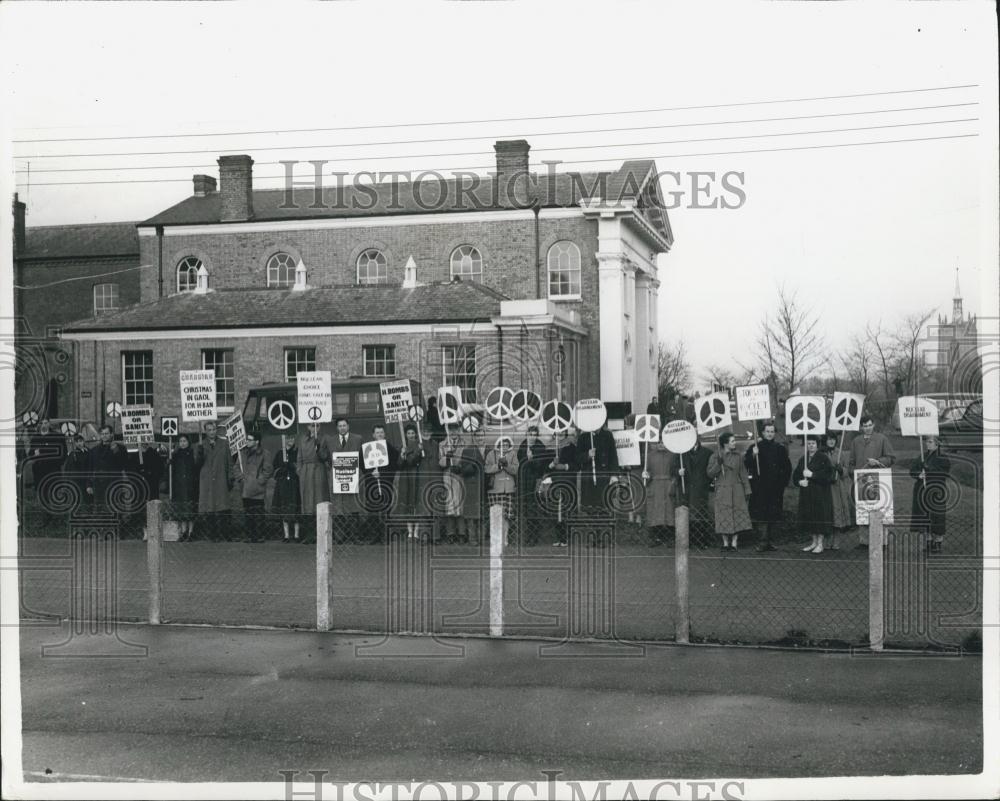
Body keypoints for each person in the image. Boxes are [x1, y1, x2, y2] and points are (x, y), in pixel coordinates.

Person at [849, 415, 896, 550]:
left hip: (878, 480)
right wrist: (853, 472)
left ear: (873, 425)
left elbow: (891, 458)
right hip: (861, 481)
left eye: (869, 425)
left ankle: (882, 541)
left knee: (880, 508)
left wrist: (879, 461)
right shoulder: (856, 441)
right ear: (861, 427)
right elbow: (851, 462)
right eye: (864, 426)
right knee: (863, 509)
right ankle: (864, 541)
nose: (867, 428)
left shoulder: (882, 439)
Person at [744, 420, 792, 552]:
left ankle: (769, 541)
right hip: (760, 487)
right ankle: (762, 541)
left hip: (775, 488)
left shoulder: (780, 449)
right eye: (767, 432)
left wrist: (782, 483)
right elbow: (746, 464)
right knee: (761, 514)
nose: (770, 434)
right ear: (763, 433)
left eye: (772, 432)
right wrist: (753, 455)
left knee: (772, 514)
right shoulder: (755, 447)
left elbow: (787, 468)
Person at [706, 432, 751, 552]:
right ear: (725, 443)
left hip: (737, 489)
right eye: (732, 441)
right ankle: (725, 543)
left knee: (737, 514)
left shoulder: (738, 456)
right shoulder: (716, 456)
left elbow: (743, 474)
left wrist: (747, 489)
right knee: (723, 515)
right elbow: (710, 473)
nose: (735, 443)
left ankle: (734, 542)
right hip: (722, 489)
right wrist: (718, 464)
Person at [909, 436, 951, 554]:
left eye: (930, 442)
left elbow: (942, 473)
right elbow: (912, 470)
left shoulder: (943, 458)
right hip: (922, 491)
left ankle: (937, 542)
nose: (928, 444)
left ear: (937, 444)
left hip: (935, 491)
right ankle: (928, 541)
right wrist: (919, 475)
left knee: (937, 516)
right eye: (927, 441)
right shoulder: (922, 456)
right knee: (924, 516)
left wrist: (927, 469)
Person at [324, 417, 364, 542]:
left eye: (344, 425)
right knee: (338, 507)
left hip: (353, 477)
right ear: (337, 428)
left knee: (353, 507)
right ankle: (339, 537)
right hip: (338, 478)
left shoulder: (358, 439)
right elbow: (325, 457)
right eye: (340, 426)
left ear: (348, 426)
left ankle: (355, 537)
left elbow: (363, 457)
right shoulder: (330, 441)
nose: (342, 428)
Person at [793, 436, 834, 554]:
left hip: (820, 493)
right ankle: (814, 542)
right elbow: (796, 475)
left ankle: (820, 543)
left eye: (813, 443)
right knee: (810, 516)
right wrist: (800, 481)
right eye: (809, 443)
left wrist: (813, 475)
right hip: (807, 493)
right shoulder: (803, 459)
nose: (811, 445)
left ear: (817, 445)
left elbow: (828, 475)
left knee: (819, 516)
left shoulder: (823, 458)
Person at [194, 420, 234, 542]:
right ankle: (213, 535)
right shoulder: (199, 445)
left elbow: (229, 462)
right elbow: (197, 464)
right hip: (207, 482)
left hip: (221, 478)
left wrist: (230, 478)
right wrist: (200, 451)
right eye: (209, 430)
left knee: (223, 508)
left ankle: (226, 534)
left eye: (214, 429)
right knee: (209, 509)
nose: (212, 432)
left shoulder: (224, 443)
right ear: (205, 431)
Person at [671, 438, 712, 547]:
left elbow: (711, 471)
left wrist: (706, 483)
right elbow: (672, 469)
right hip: (685, 489)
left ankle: (702, 541)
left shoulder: (707, 453)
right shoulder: (680, 454)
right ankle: (688, 541)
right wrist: (678, 472)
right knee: (686, 514)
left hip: (700, 489)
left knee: (700, 514)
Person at [361, 424, 399, 540]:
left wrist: (384, 474)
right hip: (372, 483)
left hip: (385, 482)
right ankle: (373, 536)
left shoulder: (390, 448)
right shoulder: (367, 447)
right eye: (377, 433)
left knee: (385, 509)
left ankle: (385, 536)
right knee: (372, 509)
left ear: (384, 434)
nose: (380, 434)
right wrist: (371, 472)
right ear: (373, 435)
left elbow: (395, 464)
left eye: (381, 432)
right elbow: (362, 464)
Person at [545, 425, 580, 547]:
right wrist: (550, 464)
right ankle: (558, 537)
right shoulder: (549, 446)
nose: (560, 433)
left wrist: (565, 466)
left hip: (567, 481)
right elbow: (544, 467)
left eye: (562, 431)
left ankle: (566, 538)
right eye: (557, 431)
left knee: (566, 510)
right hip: (555, 481)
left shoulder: (570, 446)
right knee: (556, 510)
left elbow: (577, 465)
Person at [516, 425, 551, 543]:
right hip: (524, 482)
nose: (532, 437)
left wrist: (531, 460)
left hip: (534, 482)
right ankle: (527, 536)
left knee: (534, 509)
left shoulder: (540, 446)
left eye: (534, 435)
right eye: (530, 434)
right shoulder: (523, 445)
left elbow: (541, 466)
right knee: (525, 509)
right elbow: (520, 461)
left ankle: (534, 537)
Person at [296, 422, 330, 543]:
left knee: (318, 500)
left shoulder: (324, 438)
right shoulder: (302, 439)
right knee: (307, 503)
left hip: (318, 471)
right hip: (305, 472)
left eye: (317, 426)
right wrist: (300, 471)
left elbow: (325, 456)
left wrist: (318, 446)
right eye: (312, 425)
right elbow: (299, 457)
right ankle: (308, 535)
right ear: (308, 427)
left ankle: (320, 535)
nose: (314, 428)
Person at [237, 433, 273, 543]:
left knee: (258, 514)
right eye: (246, 439)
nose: (247, 441)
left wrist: (260, 481)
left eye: (249, 439)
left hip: (258, 489)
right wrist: (241, 478)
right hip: (246, 488)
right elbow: (236, 467)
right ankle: (249, 536)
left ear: (257, 441)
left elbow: (268, 469)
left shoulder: (265, 454)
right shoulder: (242, 453)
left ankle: (259, 536)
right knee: (248, 513)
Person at [30, 418, 67, 521]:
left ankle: (57, 514)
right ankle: (47, 515)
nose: (43, 425)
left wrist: (57, 463)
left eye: (45, 423)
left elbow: (63, 453)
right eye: (41, 423)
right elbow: (30, 453)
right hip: (39, 470)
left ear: (49, 424)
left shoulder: (57, 436)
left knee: (54, 491)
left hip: (53, 469)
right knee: (43, 492)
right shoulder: (35, 438)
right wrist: (34, 454)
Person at [126, 443, 165, 539]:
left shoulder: (154, 454)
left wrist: (150, 474)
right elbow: (130, 471)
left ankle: (153, 530)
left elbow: (160, 469)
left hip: (151, 486)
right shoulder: (134, 455)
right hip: (139, 487)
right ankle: (144, 531)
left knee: (152, 508)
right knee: (141, 510)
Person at [643, 437, 676, 547]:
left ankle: (670, 538)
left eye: (663, 442)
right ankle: (655, 538)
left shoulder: (672, 455)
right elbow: (647, 471)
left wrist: (673, 483)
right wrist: (645, 476)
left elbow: (675, 471)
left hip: (668, 485)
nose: (661, 444)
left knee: (669, 512)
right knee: (655, 512)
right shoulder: (650, 456)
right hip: (655, 485)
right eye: (659, 442)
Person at [823, 432, 854, 550]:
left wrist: (841, 470)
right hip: (826, 486)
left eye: (833, 440)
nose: (831, 442)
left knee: (837, 512)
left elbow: (846, 470)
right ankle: (827, 539)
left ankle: (836, 540)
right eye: (828, 439)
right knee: (827, 513)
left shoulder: (840, 452)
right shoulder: (822, 453)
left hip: (837, 486)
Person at [87, 424, 126, 514]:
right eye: (102, 434)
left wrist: (115, 450)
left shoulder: (120, 448)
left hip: (114, 484)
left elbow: (123, 464)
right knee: (99, 510)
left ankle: (116, 527)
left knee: (115, 508)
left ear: (111, 434)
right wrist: (89, 484)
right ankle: (100, 527)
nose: (104, 436)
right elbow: (90, 468)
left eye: (106, 433)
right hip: (98, 486)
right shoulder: (94, 450)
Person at [394, 424, 424, 540]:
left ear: (416, 434)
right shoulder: (403, 446)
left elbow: (414, 461)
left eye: (413, 433)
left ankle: (416, 530)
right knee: (407, 502)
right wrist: (402, 454)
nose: (411, 435)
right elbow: (399, 465)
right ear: (405, 435)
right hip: (406, 477)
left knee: (416, 502)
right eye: (408, 433)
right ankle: (409, 531)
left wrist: (419, 450)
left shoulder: (420, 446)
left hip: (416, 476)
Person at [168, 435, 199, 541]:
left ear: (188, 442)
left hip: (190, 485)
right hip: (179, 486)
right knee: (181, 510)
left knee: (190, 509)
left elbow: (197, 466)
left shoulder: (192, 454)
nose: (182, 443)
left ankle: (191, 532)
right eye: (180, 441)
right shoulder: (175, 455)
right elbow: (172, 471)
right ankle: (183, 531)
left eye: (184, 441)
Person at [485, 435, 518, 530]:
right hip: (495, 489)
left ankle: (505, 538)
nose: (504, 447)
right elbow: (486, 469)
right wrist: (498, 466)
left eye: (506, 445)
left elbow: (516, 470)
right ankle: (497, 539)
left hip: (508, 489)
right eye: (502, 445)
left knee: (507, 517)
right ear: (498, 445)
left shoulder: (513, 454)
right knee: (496, 516)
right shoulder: (491, 454)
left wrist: (506, 465)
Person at [439, 431, 466, 542]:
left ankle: (462, 533)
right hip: (448, 476)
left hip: (459, 477)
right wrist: (446, 458)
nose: (453, 431)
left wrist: (460, 466)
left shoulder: (464, 443)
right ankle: (450, 533)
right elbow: (440, 462)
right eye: (451, 428)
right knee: (449, 505)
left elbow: (466, 459)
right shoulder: (442, 444)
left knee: (460, 505)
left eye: (455, 427)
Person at [272, 437, 301, 543]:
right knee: (284, 507)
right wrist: (281, 469)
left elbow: (299, 466)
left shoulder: (297, 452)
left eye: (292, 438)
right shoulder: (280, 453)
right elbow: (274, 468)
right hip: (283, 483)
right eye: (288, 438)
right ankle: (286, 535)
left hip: (294, 483)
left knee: (296, 509)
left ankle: (297, 535)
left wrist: (292, 466)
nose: (290, 440)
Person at [61, 434, 91, 514]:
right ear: (74, 443)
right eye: (77, 442)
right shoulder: (73, 454)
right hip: (77, 480)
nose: (79, 443)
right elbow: (68, 468)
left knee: (88, 498)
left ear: (83, 441)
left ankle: (89, 514)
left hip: (87, 478)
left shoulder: (89, 451)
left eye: (80, 441)